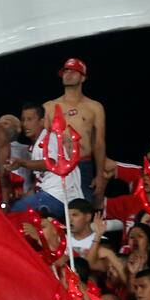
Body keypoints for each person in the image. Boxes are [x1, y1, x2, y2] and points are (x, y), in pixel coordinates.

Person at [43, 58, 107, 202]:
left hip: (83, 165)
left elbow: (99, 143)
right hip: (57, 165)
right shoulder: (49, 106)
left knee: (82, 211)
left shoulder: (95, 107)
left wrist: (100, 175)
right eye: (66, 71)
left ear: (83, 77)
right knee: (55, 211)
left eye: (73, 71)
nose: (68, 74)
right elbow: (42, 142)